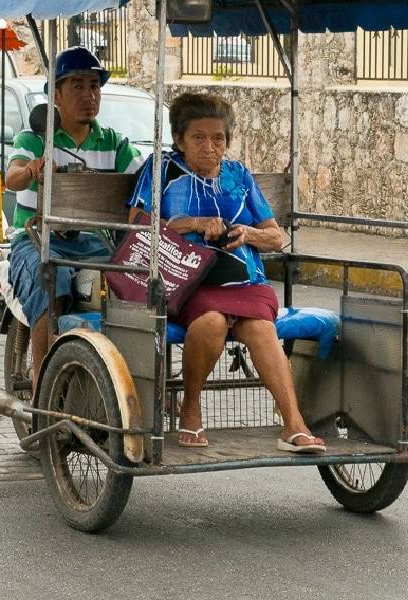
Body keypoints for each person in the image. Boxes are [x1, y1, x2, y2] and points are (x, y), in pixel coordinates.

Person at [126, 92, 326, 454]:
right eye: (198, 137)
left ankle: (293, 423)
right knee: (212, 323)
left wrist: (247, 232)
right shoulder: (162, 169)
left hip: (247, 281)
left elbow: (275, 236)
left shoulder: (239, 175)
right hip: (189, 281)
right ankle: (190, 406)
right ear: (180, 140)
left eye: (218, 138)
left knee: (263, 329)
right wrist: (192, 223)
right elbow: (137, 223)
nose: (209, 146)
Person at [5, 46, 142, 391]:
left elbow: (142, 179)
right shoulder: (35, 139)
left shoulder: (114, 143)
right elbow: (12, 176)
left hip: (95, 242)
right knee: (51, 281)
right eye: (77, 86)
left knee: (136, 284)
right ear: (56, 96)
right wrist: (32, 169)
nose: (88, 95)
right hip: (37, 239)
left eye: (94, 86)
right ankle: (43, 388)